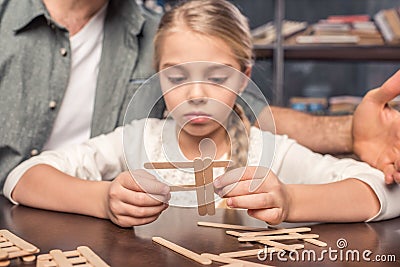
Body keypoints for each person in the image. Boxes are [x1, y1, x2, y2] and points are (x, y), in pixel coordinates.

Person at [4, 0, 399, 227]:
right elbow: (20, 176)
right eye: (176, 77)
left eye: (216, 77)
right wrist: (103, 197)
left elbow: (385, 192)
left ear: (244, 80)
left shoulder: (268, 152)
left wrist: (292, 201)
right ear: (157, 77)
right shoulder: (139, 139)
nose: (195, 95)